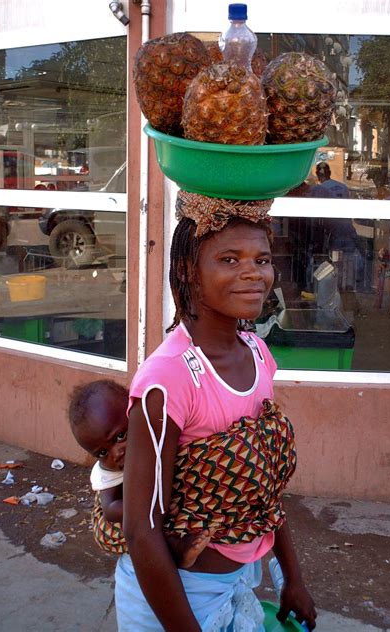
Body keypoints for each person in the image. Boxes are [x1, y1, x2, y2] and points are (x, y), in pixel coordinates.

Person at [121, 192, 317, 631]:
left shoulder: (258, 354)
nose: (252, 273)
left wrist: (292, 578)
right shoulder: (169, 379)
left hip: (237, 580)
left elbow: (262, 481)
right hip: (176, 596)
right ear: (190, 272)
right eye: (229, 259)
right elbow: (141, 529)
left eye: (261, 260)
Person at [68, 379, 212, 562]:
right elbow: (110, 509)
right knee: (150, 530)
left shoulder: (156, 433)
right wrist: (153, 506)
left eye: (121, 436)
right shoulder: (106, 473)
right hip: (136, 513)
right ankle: (179, 551)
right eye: (102, 452)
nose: (117, 453)